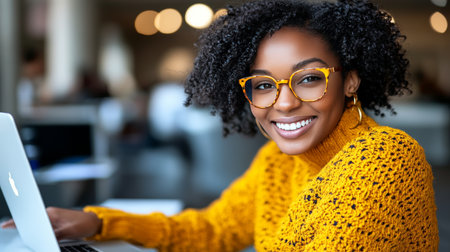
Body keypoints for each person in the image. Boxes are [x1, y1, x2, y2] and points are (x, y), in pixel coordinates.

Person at [2, 0, 439, 250]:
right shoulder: (277, 163)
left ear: (352, 81)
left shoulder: (383, 158)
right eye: (264, 85)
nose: (284, 103)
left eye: (308, 79)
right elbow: (212, 229)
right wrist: (98, 223)